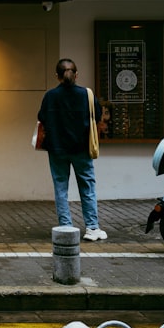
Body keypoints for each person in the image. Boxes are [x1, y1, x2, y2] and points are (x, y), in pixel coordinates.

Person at [37, 58, 106, 241]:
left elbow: (42, 118)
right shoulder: (86, 94)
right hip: (82, 149)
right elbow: (98, 116)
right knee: (87, 187)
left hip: (57, 149)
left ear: (57, 76)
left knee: (61, 188)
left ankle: (66, 226)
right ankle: (92, 228)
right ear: (76, 75)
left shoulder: (50, 96)